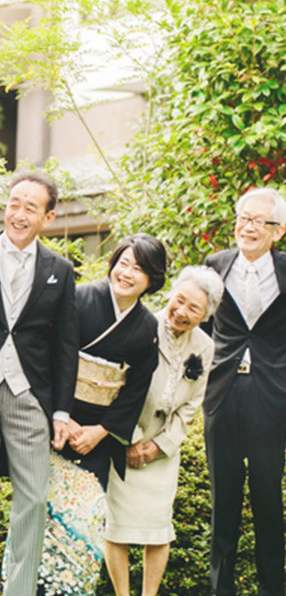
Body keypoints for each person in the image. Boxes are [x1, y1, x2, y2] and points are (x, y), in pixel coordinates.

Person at [0, 170, 79, 596]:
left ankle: (20, 590)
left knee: (32, 500)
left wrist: (61, 410)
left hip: (30, 394)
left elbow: (66, 344)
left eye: (31, 206)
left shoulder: (60, 270)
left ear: (47, 217)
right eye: (14, 203)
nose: (19, 213)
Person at [39, 232, 167, 596]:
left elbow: (136, 387)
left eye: (138, 269)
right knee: (38, 520)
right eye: (122, 263)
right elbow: (46, 357)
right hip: (56, 426)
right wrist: (62, 414)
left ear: (152, 279)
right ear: (112, 264)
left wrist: (101, 430)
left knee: (85, 525)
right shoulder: (78, 298)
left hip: (96, 439)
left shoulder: (147, 326)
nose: (126, 273)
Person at [104, 265, 224, 596]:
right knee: (117, 528)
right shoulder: (142, 326)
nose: (181, 311)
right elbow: (115, 386)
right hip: (124, 439)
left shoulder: (204, 346)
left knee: (158, 530)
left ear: (205, 315)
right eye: (179, 300)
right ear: (171, 293)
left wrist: (159, 445)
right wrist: (127, 439)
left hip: (163, 450)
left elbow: (192, 404)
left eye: (193, 308)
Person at [203, 187, 286, 596]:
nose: (247, 227)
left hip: (273, 399)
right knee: (224, 503)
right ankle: (222, 590)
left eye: (258, 221)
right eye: (242, 218)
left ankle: (274, 588)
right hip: (222, 397)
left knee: (269, 500)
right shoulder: (214, 265)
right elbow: (200, 331)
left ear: (278, 230)